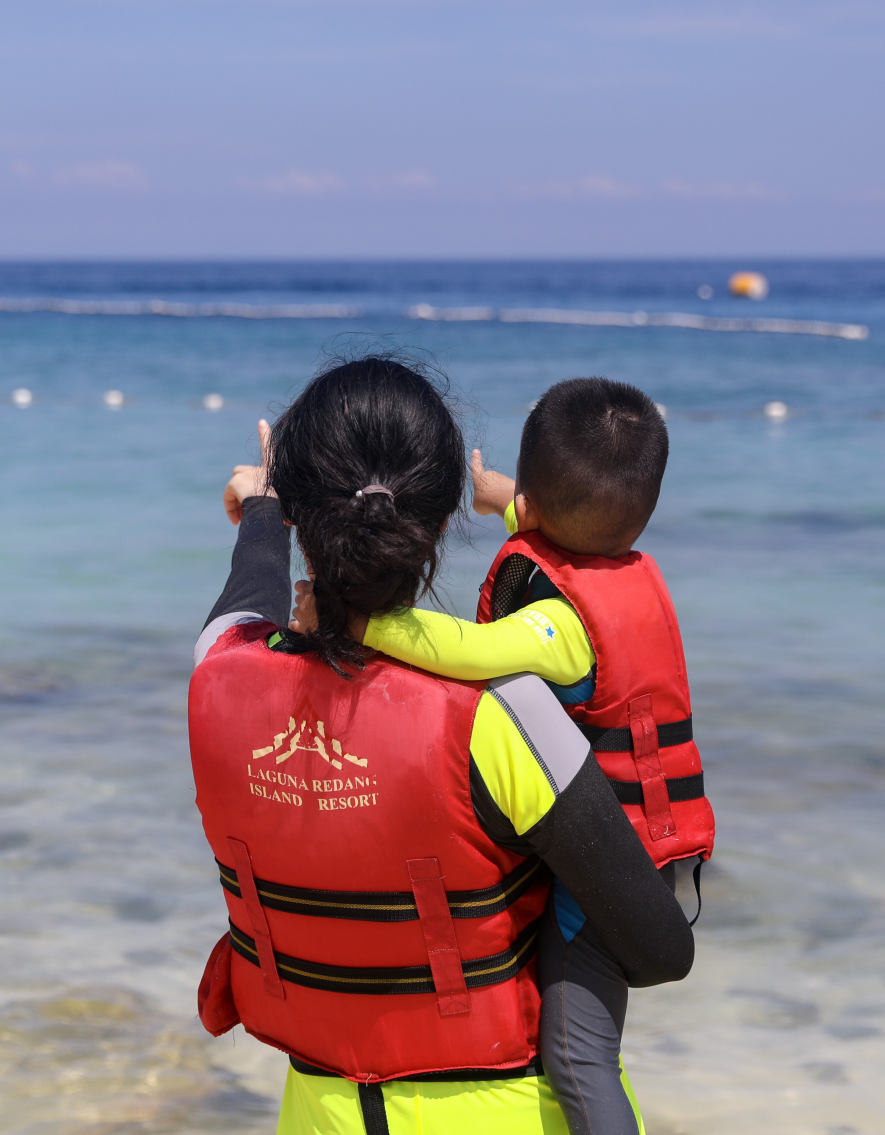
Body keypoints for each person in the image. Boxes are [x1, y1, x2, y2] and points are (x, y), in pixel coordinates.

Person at [190, 356, 694, 1135]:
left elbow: (245, 595)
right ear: (434, 519)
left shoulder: (217, 684)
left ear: (302, 514)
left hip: (321, 1114)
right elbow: (661, 948)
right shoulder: (501, 716)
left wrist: (263, 510)